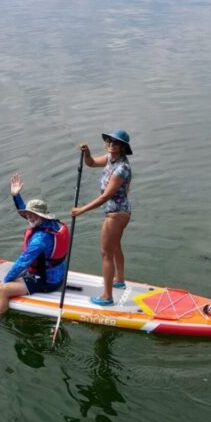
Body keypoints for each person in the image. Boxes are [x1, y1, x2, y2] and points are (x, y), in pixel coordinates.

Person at [0, 173, 70, 335]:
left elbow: (22, 262)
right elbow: (29, 212)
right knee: (12, 274)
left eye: (33, 215)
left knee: (2, 290)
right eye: (28, 214)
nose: (29, 217)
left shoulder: (40, 240)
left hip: (46, 281)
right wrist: (16, 196)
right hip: (57, 274)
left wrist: (3, 283)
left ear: (42, 216)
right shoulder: (54, 224)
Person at [70, 129, 132, 305]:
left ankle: (107, 296)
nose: (112, 144)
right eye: (110, 141)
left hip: (116, 214)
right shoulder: (110, 158)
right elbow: (90, 163)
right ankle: (119, 280)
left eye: (116, 143)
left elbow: (105, 197)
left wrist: (81, 210)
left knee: (106, 253)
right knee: (115, 247)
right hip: (119, 212)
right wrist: (87, 152)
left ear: (122, 147)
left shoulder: (121, 168)